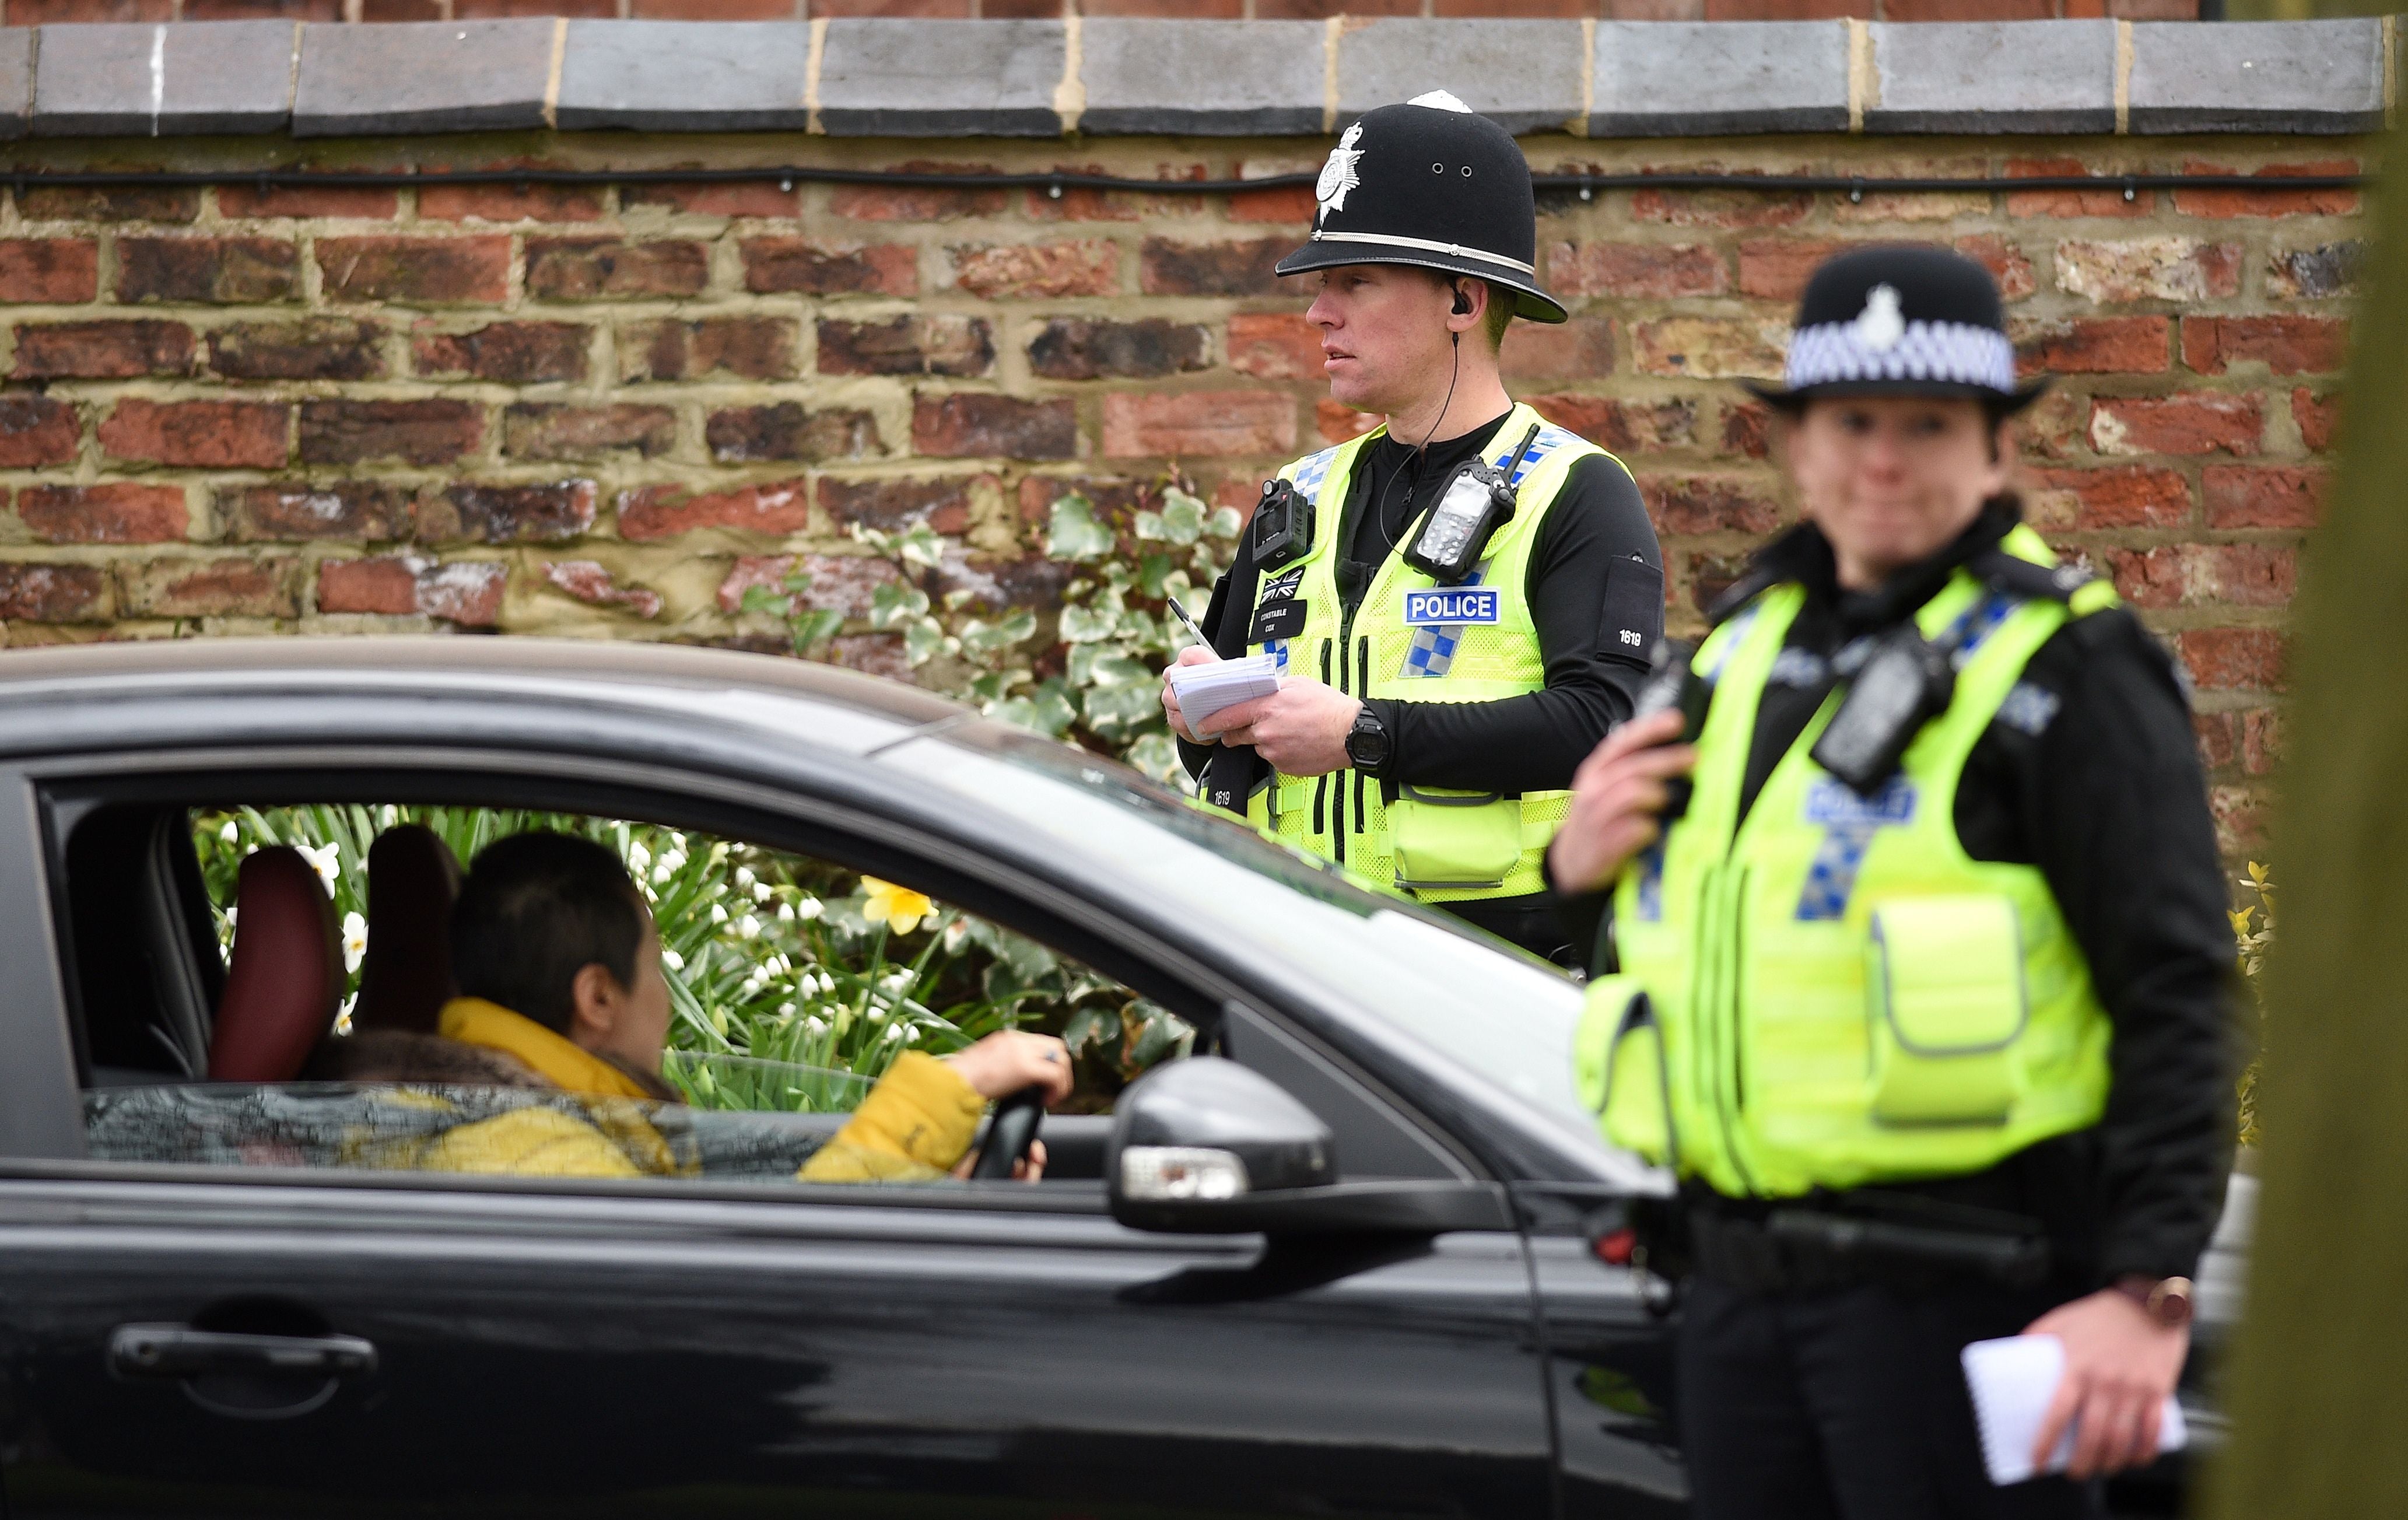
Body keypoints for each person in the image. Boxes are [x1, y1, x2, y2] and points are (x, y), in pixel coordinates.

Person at [1552, 246, 2237, 1517]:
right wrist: (1576, 863)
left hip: (1967, 1302)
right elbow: (1688, 939)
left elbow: (2176, 989)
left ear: (1993, 452)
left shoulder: (2072, 670)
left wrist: (2151, 1290)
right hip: (1738, 1301)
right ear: (1796, 447)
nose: (1884, 461)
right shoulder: (1744, 652)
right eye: (1852, 421)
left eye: (1928, 425)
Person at [1161, 91, 1662, 965]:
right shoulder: (1297, 493)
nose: (1320, 312)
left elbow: (1608, 723)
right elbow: (1220, 740)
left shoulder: (1575, 490)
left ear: (1463, 301)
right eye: (1322, 284)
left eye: (1354, 281)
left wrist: (1362, 734)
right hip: (1296, 954)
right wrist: (1198, 713)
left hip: (1490, 971)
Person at [322, 832, 1071, 1182]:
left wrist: (934, 1187)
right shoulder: (517, 1154)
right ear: (599, 995)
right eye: (656, 969)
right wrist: (956, 1082)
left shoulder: (529, 1124)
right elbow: (755, 1289)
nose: (669, 1006)